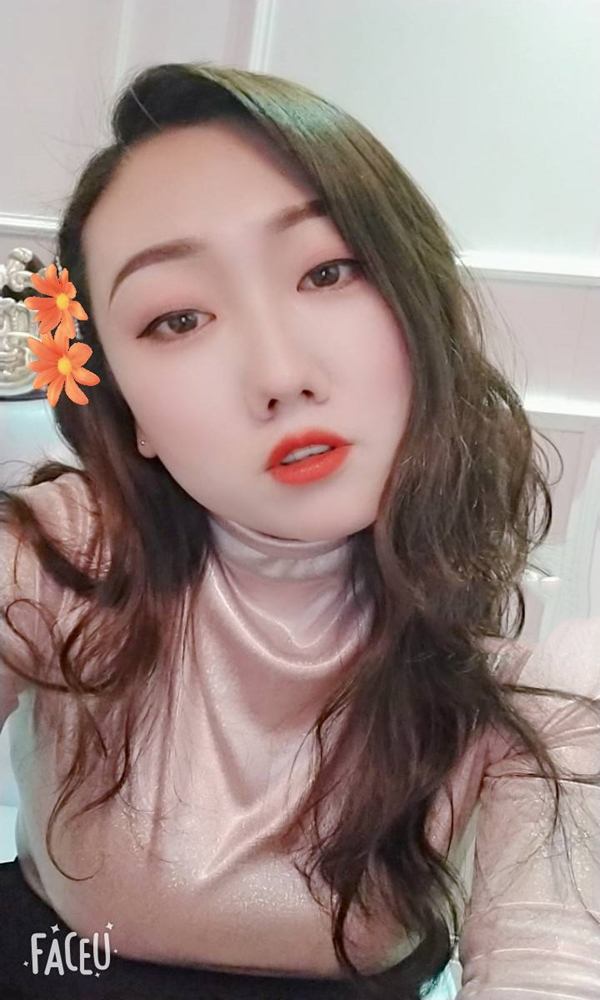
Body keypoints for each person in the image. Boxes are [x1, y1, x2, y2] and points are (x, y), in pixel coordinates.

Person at [0, 61, 598, 1000]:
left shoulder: (544, 687)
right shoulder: (58, 561)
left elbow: (548, 964)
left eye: (328, 271)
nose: (280, 375)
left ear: (418, 307)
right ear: (130, 413)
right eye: (177, 318)